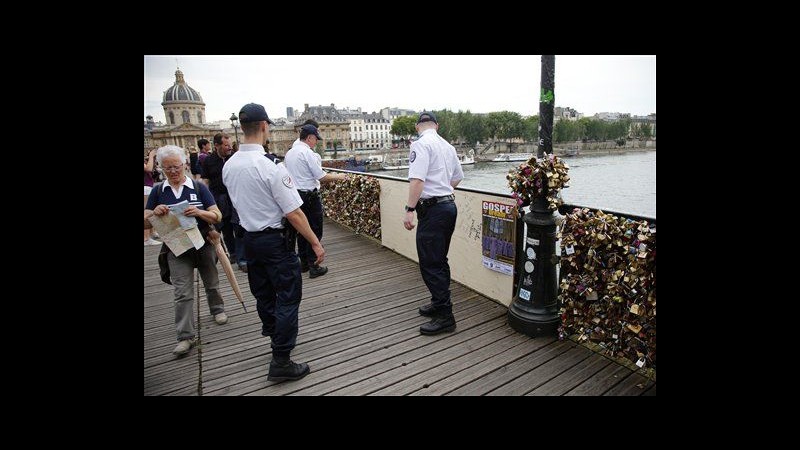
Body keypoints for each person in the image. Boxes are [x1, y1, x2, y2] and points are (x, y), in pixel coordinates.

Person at [223, 103, 325, 382]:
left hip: (250, 241)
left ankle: (275, 336)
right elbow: (294, 212)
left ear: (242, 128)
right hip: (275, 242)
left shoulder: (229, 165)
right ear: (265, 126)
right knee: (288, 296)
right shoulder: (271, 167)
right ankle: (281, 359)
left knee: (264, 294)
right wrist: (315, 243)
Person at [144, 145, 228, 356]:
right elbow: (145, 223)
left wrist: (200, 212)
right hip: (177, 247)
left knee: (211, 282)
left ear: (184, 165)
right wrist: (153, 213)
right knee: (182, 292)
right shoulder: (158, 191)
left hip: (203, 242)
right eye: (167, 168)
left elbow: (217, 215)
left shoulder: (198, 188)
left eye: (177, 167)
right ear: (162, 168)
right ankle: (185, 336)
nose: (173, 171)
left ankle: (217, 309)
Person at [403, 111, 464, 335]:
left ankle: (446, 316)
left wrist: (409, 209)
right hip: (448, 207)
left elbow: (417, 180)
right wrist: (443, 191)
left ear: (418, 126)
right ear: (436, 125)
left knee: (430, 263)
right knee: (439, 259)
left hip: (433, 210)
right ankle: (439, 304)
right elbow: (458, 177)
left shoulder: (420, 144)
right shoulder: (447, 146)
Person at [284, 124, 347, 278]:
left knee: (302, 230)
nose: (316, 142)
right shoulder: (307, 153)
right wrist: (339, 177)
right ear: (309, 138)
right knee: (314, 229)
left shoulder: (290, 153)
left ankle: (304, 263)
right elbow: (321, 177)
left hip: (296, 196)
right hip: (310, 196)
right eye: (315, 139)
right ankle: (314, 265)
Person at [201, 133, 237, 261]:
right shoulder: (208, 161)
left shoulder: (233, 158)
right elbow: (205, 180)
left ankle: (242, 255)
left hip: (235, 196)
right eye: (226, 145)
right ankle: (232, 254)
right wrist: (205, 200)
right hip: (219, 198)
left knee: (239, 226)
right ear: (216, 145)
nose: (229, 148)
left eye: (230, 145)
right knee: (226, 227)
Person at [144, 149, 160, 246]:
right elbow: (149, 169)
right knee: (147, 210)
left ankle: (151, 233)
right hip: (144, 187)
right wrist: (151, 156)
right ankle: (146, 238)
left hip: (148, 186)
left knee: (151, 209)